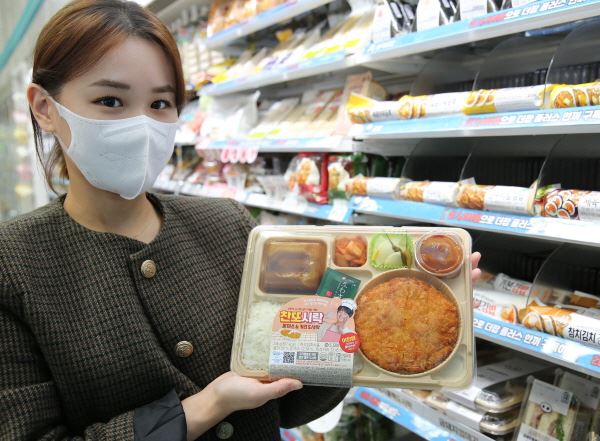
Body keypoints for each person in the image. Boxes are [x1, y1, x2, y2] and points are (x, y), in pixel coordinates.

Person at [0, 1, 482, 440]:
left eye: (160, 104)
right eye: (110, 101)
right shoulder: (14, 264)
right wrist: (209, 405)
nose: (142, 125)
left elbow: (290, 405)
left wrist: (365, 326)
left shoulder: (228, 227)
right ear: (45, 108)